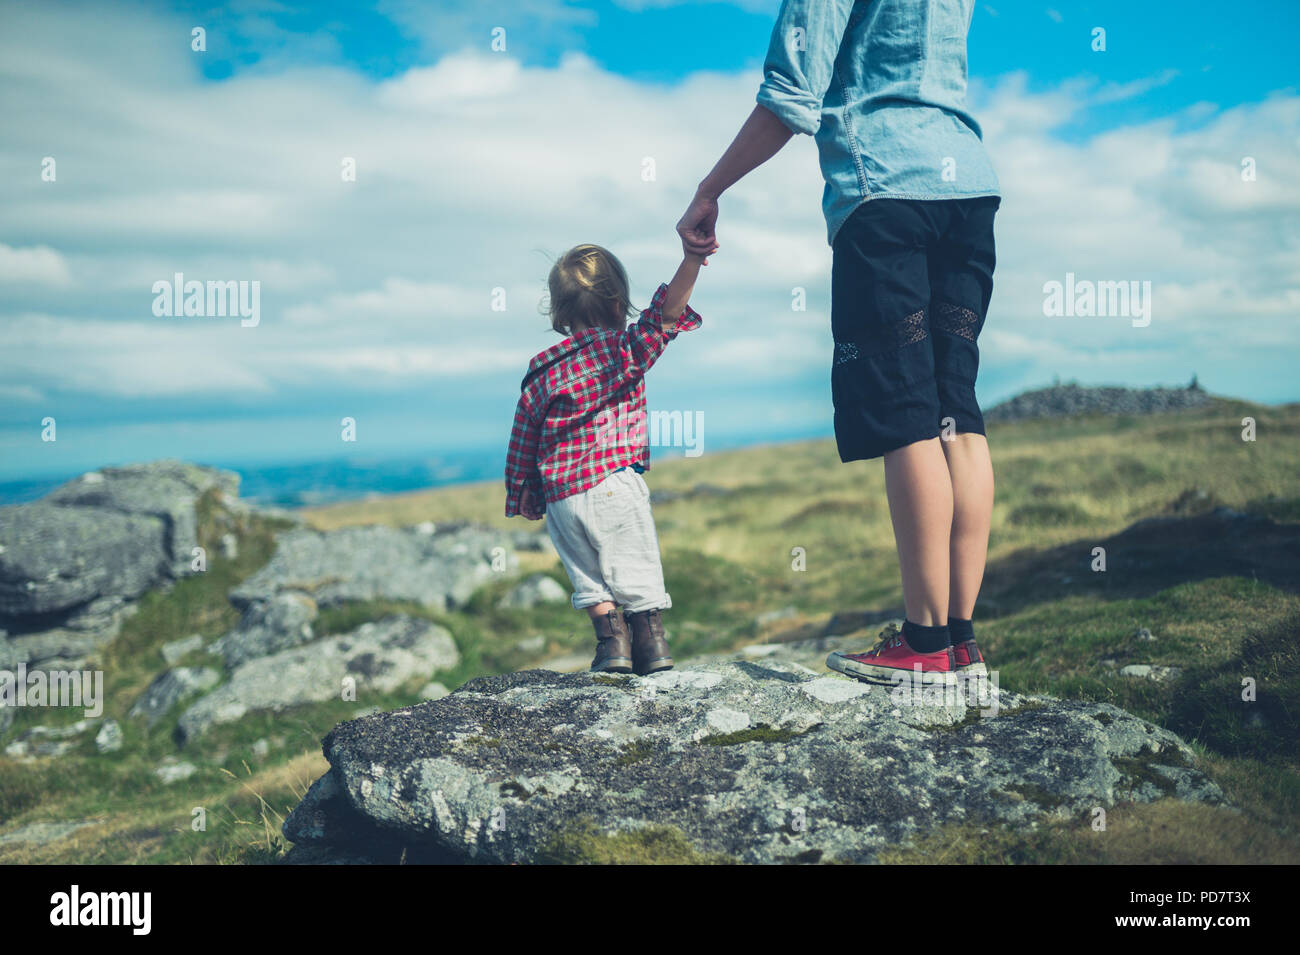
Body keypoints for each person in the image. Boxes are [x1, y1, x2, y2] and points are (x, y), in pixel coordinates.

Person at [676, 0, 1001, 686]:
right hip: (968, 188)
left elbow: (790, 96)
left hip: (884, 189)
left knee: (904, 408)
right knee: (956, 410)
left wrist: (710, 189)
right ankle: (960, 643)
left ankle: (923, 641)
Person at [504, 243, 713, 674]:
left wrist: (523, 490)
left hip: (562, 497)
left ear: (559, 312)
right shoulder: (623, 350)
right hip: (614, 483)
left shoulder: (542, 369)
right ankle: (652, 646)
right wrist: (692, 260)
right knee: (635, 566)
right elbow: (666, 315)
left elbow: (524, 434)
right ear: (619, 303)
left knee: (588, 576)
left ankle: (612, 647)